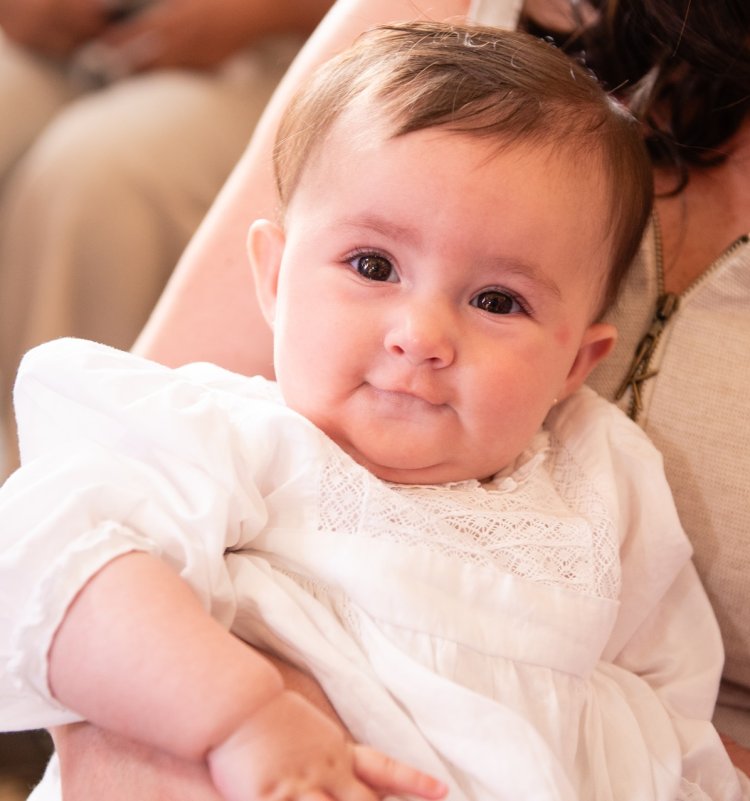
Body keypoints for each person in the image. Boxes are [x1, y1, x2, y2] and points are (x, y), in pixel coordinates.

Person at [1, 18, 745, 801]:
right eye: (373, 264)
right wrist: (237, 715)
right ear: (276, 278)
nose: (422, 335)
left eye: (497, 300)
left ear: (576, 363)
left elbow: (677, 718)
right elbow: (58, 562)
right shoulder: (232, 436)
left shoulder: (605, 480)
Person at [0, 0, 332, 479]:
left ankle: (64, 490)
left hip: (293, 54)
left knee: (98, 176)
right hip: (68, 36)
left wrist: (272, 11)